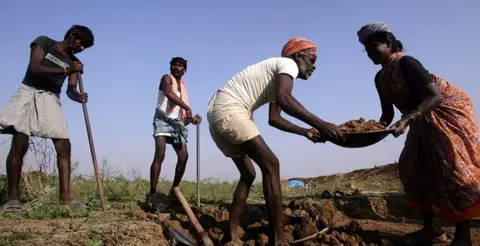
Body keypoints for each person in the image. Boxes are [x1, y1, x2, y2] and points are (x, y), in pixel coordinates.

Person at [206, 38, 343, 245]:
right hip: (230, 109)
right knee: (271, 165)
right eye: (312, 59)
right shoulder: (288, 64)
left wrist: (306, 131)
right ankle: (278, 239)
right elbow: (284, 99)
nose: (314, 66)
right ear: (298, 55)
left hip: (217, 112)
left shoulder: (278, 76)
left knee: (248, 173)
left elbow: (275, 119)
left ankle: (231, 236)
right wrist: (323, 124)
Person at [358, 21, 480, 246]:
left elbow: (435, 97)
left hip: (446, 114)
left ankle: (463, 236)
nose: (369, 54)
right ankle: (431, 229)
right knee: (411, 168)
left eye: (372, 47)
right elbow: (387, 113)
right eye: (365, 50)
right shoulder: (380, 78)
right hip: (419, 118)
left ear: (388, 43)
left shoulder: (407, 63)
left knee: (451, 168)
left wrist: (407, 119)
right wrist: (369, 131)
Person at [0, 25, 95, 212]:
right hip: (29, 92)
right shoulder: (44, 42)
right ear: (72, 36)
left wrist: (78, 96)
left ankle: (66, 199)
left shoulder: (73, 62)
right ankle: (12, 200)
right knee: (20, 142)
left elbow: (70, 90)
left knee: (63, 145)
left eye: (85, 47)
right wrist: (66, 70)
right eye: (81, 43)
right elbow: (34, 68)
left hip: (51, 98)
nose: (81, 48)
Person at [147, 57, 202, 207]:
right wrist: (187, 108)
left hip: (177, 123)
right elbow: (168, 94)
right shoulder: (166, 79)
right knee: (160, 153)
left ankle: (174, 191)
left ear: (185, 70)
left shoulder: (183, 87)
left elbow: (186, 118)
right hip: (162, 119)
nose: (177, 68)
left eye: (180, 66)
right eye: (175, 65)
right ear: (170, 67)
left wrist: (193, 119)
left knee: (184, 156)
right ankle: (152, 193)